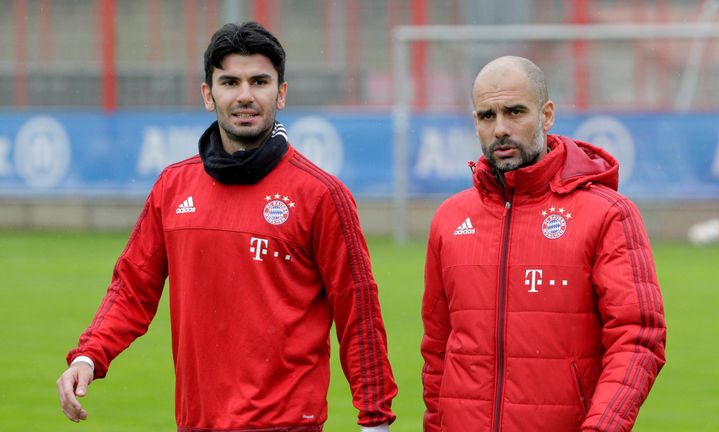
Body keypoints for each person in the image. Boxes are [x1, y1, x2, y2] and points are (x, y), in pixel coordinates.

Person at [56, 21, 397, 432]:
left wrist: (375, 420)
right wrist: (88, 357)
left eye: (259, 81)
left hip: (286, 424)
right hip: (196, 422)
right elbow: (132, 286)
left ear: (281, 93)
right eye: (230, 82)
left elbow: (358, 311)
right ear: (208, 94)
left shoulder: (321, 195)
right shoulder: (172, 186)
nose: (245, 95)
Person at [421, 56, 666, 431]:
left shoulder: (608, 215)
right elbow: (438, 350)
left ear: (547, 115)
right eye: (487, 116)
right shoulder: (450, 219)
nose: (500, 128)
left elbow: (638, 338)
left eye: (515, 111)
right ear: (475, 123)